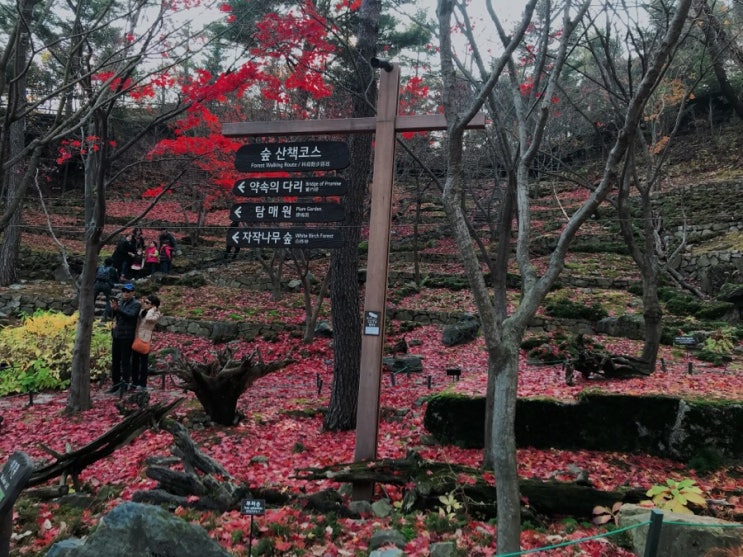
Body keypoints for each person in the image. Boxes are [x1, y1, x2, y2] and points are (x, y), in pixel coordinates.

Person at [107, 283, 141, 393]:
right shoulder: (121, 303)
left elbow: (131, 316)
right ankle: (115, 384)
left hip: (127, 336)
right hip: (117, 335)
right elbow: (111, 315)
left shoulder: (136, 304)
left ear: (133, 293)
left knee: (125, 361)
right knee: (115, 361)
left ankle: (125, 384)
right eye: (124, 291)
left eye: (128, 291)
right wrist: (113, 308)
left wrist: (118, 309)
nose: (125, 293)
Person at [131, 294, 161, 390]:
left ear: (153, 305)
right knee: (134, 362)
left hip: (145, 339)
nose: (145, 304)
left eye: (147, 302)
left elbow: (149, 319)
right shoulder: (142, 311)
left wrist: (153, 309)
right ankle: (134, 382)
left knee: (144, 363)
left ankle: (143, 384)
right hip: (136, 338)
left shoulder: (156, 313)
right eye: (145, 302)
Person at [93, 257, 119, 322]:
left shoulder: (99, 268)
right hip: (106, 285)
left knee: (92, 300)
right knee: (108, 301)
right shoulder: (112, 269)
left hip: (97, 284)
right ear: (112, 263)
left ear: (104, 262)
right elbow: (117, 279)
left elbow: (95, 275)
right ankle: (104, 316)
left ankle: (91, 315)